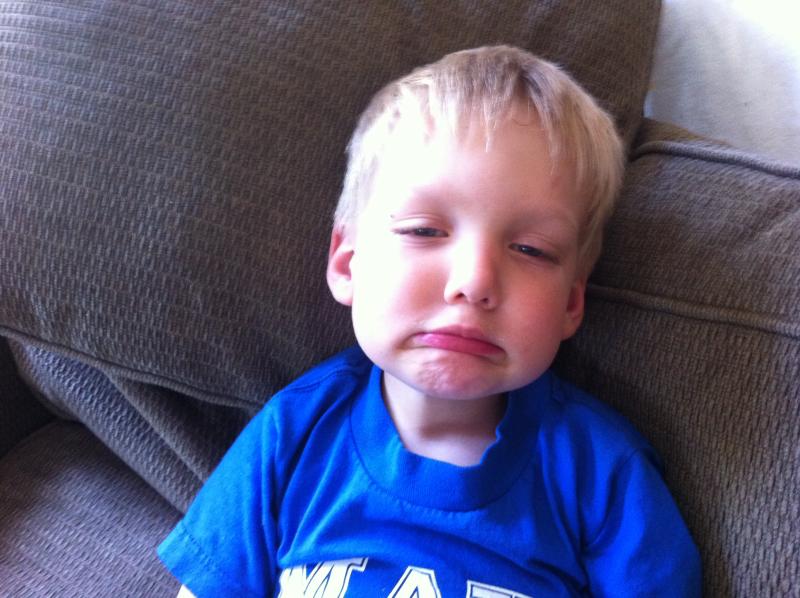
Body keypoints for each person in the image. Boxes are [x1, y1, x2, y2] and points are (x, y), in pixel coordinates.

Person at [159, 45, 701, 597]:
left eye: (530, 249)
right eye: (424, 230)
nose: (475, 280)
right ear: (348, 263)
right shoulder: (293, 435)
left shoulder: (602, 473)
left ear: (570, 304)